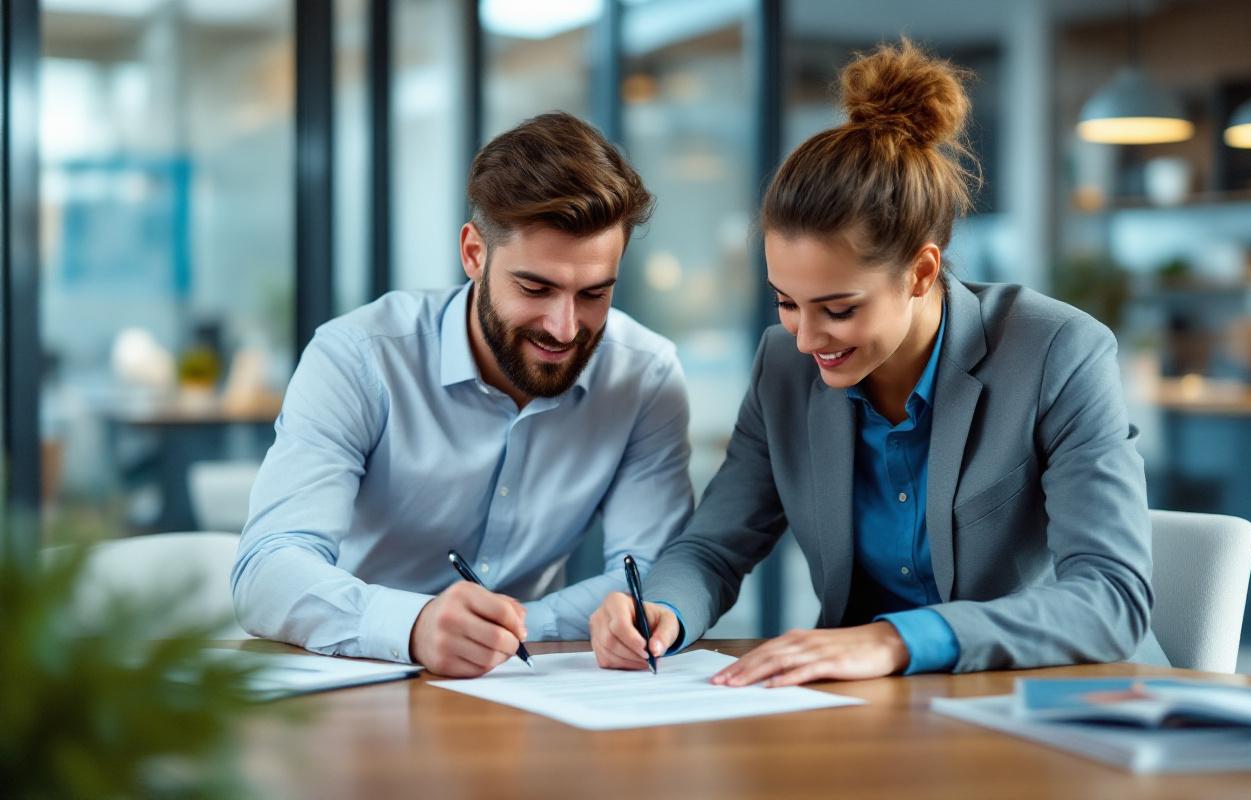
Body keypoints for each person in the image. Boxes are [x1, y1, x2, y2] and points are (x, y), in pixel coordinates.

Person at [589, 40, 1167, 684]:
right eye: (786, 302)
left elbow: (1113, 598)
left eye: (838, 309)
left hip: (1055, 705)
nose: (807, 338)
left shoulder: (1057, 352)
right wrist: (660, 609)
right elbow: (713, 547)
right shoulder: (783, 365)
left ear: (921, 272)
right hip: (875, 709)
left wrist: (899, 640)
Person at [233, 112, 694, 677]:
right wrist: (415, 624)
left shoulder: (645, 376)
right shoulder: (358, 357)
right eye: (535, 288)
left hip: (527, 692)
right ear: (474, 253)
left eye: (595, 293)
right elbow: (266, 569)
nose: (565, 327)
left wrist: (518, 627)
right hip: (354, 678)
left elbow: (651, 571)